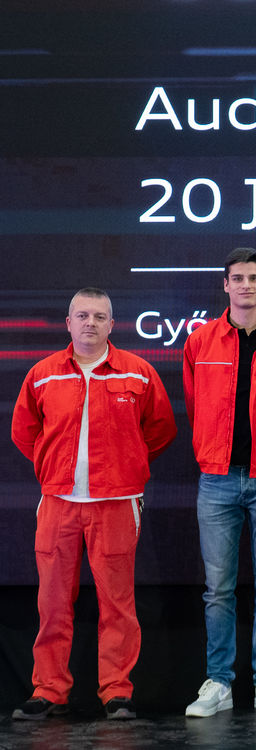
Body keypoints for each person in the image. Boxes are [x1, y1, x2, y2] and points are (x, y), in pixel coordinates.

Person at [11, 288, 176, 721]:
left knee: (117, 603)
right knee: (52, 602)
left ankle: (117, 691)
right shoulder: (43, 374)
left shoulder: (138, 372)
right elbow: (24, 431)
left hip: (117, 503)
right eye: (82, 316)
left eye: (99, 317)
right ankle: (49, 690)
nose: (90, 323)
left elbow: (160, 429)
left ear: (112, 324)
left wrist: (127, 464)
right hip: (58, 502)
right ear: (68, 323)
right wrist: (52, 467)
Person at [182, 247, 256, 718]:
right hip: (217, 480)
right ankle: (219, 682)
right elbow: (194, 405)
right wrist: (211, 452)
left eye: (254, 278)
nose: (246, 285)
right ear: (225, 285)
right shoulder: (200, 342)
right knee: (218, 589)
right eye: (238, 278)